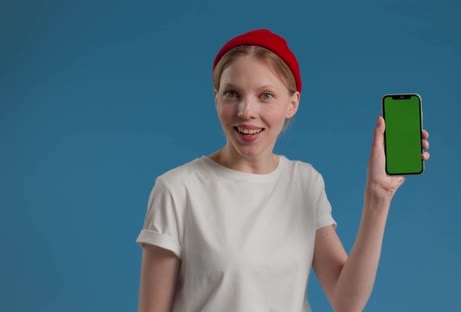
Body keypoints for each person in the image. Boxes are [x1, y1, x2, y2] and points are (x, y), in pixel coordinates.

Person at [136, 28, 431, 312]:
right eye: (232, 94)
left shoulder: (304, 182)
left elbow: (347, 302)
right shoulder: (177, 189)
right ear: (216, 97)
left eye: (265, 95)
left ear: (292, 103)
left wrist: (378, 195)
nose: (246, 111)